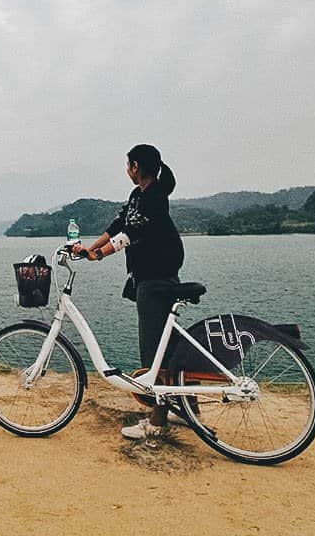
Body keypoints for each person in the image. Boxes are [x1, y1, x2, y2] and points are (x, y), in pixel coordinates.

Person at [72, 143, 184, 439]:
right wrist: (90, 249)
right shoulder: (140, 195)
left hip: (156, 279)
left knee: (153, 350)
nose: (127, 170)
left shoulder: (155, 198)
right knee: (168, 347)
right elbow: (119, 223)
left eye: (128, 165)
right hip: (153, 277)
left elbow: (129, 235)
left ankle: (157, 422)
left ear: (135, 167)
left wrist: (101, 254)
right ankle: (189, 408)